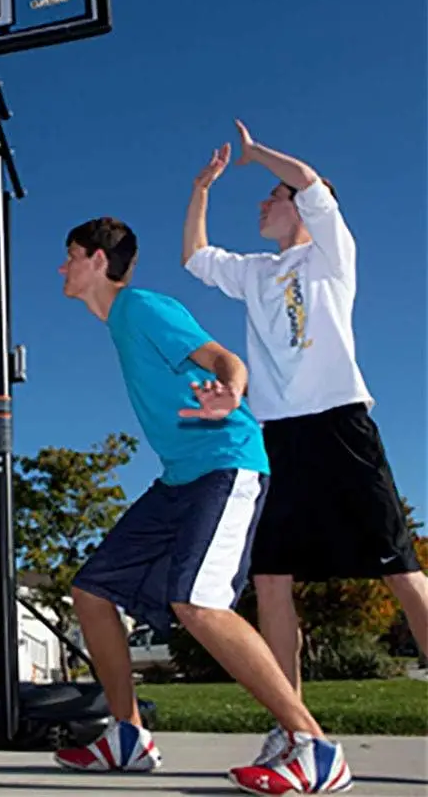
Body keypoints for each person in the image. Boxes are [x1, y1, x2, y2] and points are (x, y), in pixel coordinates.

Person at [52, 217, 352, 795]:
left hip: (225, 464)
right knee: (91, 591)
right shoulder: (121, 325)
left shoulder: (141, 308)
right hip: (179, 480)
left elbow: (222, 359)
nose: (61, 267)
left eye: (69, 255)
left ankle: (314, 748)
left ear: (95, 260)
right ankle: (128, 736)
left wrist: (231, 393)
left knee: (199, 602)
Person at [183, 119, 428, 764]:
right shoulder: (256, 271)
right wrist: (202, 188)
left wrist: (256, 152)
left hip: (340, 425)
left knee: (401, 571)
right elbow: (194, 257)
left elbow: (312, 181)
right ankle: (295, 728)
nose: (264, 202)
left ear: (301, 209)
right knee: (269, 579)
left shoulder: (330, 253)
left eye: (273, 195)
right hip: (278, 439)